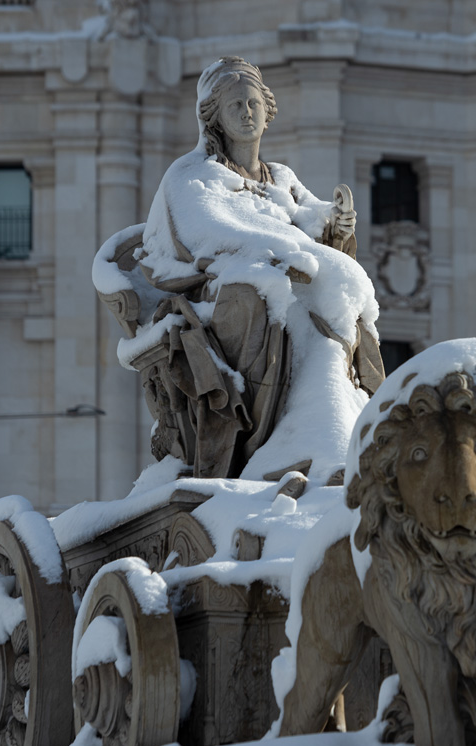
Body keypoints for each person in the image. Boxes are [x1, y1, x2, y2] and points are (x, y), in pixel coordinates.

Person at [132, 57, 383, 482]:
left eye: (253, 104)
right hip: (216, 297)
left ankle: (331, 428)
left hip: (286, 283)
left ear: (267, 112)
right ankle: (257, 444)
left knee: (340, 300)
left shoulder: (281, 177)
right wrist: (279, 249)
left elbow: (310, 218)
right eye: (235, 106)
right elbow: (207, 234)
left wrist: (333, 223)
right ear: (215, 119)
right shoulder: (192, 175)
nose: (247, 113)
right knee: (254, 299)